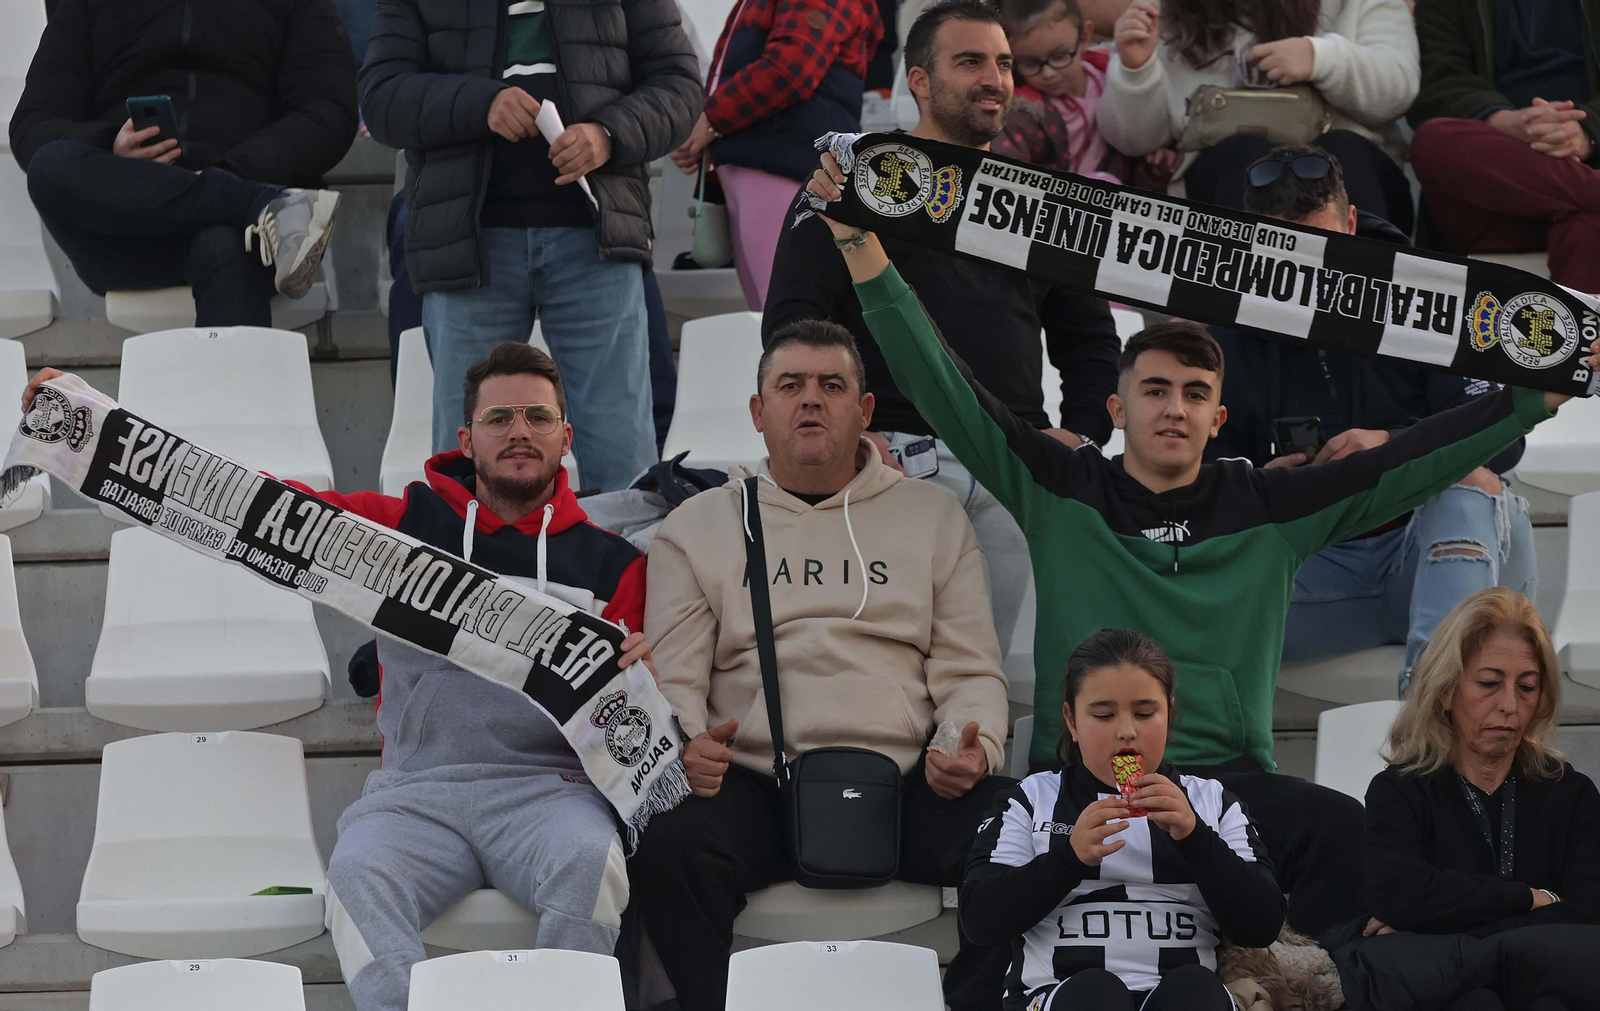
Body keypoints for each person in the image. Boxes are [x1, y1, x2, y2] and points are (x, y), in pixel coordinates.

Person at [802, 156, 1599, 938]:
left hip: (1227, 786)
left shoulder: (1268, 507)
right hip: (1083, 782)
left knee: (1342, 829)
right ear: (1116, 406)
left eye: (1194, 394)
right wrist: (861, 248)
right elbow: (943, 385)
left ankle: (1310, 979)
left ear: (1220, 419)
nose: (1174, 409)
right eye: (1154, 390)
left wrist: (1539, 393)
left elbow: (1411, 460)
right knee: (985, 864)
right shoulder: (1059, 487)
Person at [23, 344, 657, 1011]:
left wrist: (638, 679)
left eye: (537, 416)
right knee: (355, 880)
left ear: (567, 436)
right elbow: (259, 508)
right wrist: (87, 424)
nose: (521, 431)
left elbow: (635, 722)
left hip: (547, 794)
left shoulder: (614, 564)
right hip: (418, 795)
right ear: (467, 439)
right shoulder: (402, 526)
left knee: (593, 867)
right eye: (500, 418)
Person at [632, 318, 1013, 1011]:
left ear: (864, 410)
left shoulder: (933, 517)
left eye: (832, 385)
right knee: (669, 838)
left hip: (905, 783)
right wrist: (685, 748)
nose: (811, 400)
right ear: (758, 411)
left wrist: (972, 746)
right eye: (790, 385)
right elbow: (677, 681)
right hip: (758, 783)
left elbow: (971, 670)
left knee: (1022, 826)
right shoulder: (697, 526)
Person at [765, 0, 1121, 659]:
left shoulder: (1042, 200)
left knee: (976, 681)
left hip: (1013, 466)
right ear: (919, 81)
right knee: (877, 676)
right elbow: (793, 324)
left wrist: (1077, 436)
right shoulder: (854, 181)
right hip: (893, 461)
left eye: (1005, 63)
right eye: (971, 62)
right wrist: (851, 436)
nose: (995, 78)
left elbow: (1092, 342)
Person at [1207, 146, 1534, 698]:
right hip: (1318, 565)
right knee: (1163, 598)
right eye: (1281, 248)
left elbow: (1504, 444)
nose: (1302, 267)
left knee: (1468, 482)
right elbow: (1196, 477)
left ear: (1352, 225)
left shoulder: (1435, 294)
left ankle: (1436, 722)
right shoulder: (1224, 331)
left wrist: (1390, 449)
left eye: (1320, 242)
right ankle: (1170, 780)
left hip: (1437, 551)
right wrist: (1262, 478)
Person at [359, 0, 701, 490]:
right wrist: (482, 104)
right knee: (468, 466)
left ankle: (622, 566)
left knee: (620, 458)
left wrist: (608, 135)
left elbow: (681, 87)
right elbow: (381, 96)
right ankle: (469, 568)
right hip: (469, 246)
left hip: (595, 242)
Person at [964, 628, 1284, 1011]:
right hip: (1058, 994)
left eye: (1146, 713)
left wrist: (1196, 837)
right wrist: (1070, 859)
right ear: (1071, 720)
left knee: (1196, 993)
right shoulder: (1030, 798)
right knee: (1095, 997)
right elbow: (980, 921)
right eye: (1103, 714)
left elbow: (1262, 925)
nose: (1126, 731)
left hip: (1180, 992)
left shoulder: (1214, 802)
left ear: (1169, 713)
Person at [10, 0, 356, 328]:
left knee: (225, 248)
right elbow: (33, 125)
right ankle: (258, 204)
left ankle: (249, 204)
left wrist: (234, 169)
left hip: (243, 233)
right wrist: (111, 143)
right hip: (124, 224)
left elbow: (327, 112)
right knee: (49, 166)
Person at [1357, 588, 1600, 1010]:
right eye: (1489, 683)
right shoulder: (1399, 789)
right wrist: (1531, 898)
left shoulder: (1570, 792)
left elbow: (1587, 914)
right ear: (1447, 691)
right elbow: (1396, 893)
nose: (1509, 705)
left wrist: (1447, 932)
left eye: (1527, 687)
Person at [1098, 0, 1419, 236]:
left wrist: (1321, 58)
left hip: (1354, 174)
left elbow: (1398, 88)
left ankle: (1365, 296)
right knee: (1242, 153)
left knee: (1341, 150)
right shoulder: (1162, 12)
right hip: (1227, 180)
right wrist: (1135, 70)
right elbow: (1134, 139)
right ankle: (1241, 309)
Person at [669, 0, 882, 310]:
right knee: (772, 318)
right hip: (766, 168)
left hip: (787, 169)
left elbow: (792, 67)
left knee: (789, 318)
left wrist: (710, 120)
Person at [1408, 0, 1600, 291]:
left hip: (1587, 164)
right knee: (1431, 140)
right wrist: (1503, 120)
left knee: (1585, 227)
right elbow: (1438, 79)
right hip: (1496, 180)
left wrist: (1587, 131)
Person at [991, 0, 1127, 183]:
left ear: (1085, 37)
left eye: (1059, 56)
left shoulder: (1114, 81)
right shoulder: (1021, 114)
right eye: (1030, 63)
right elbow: (1007, 176)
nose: (1048, 73)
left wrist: (1154, 168)